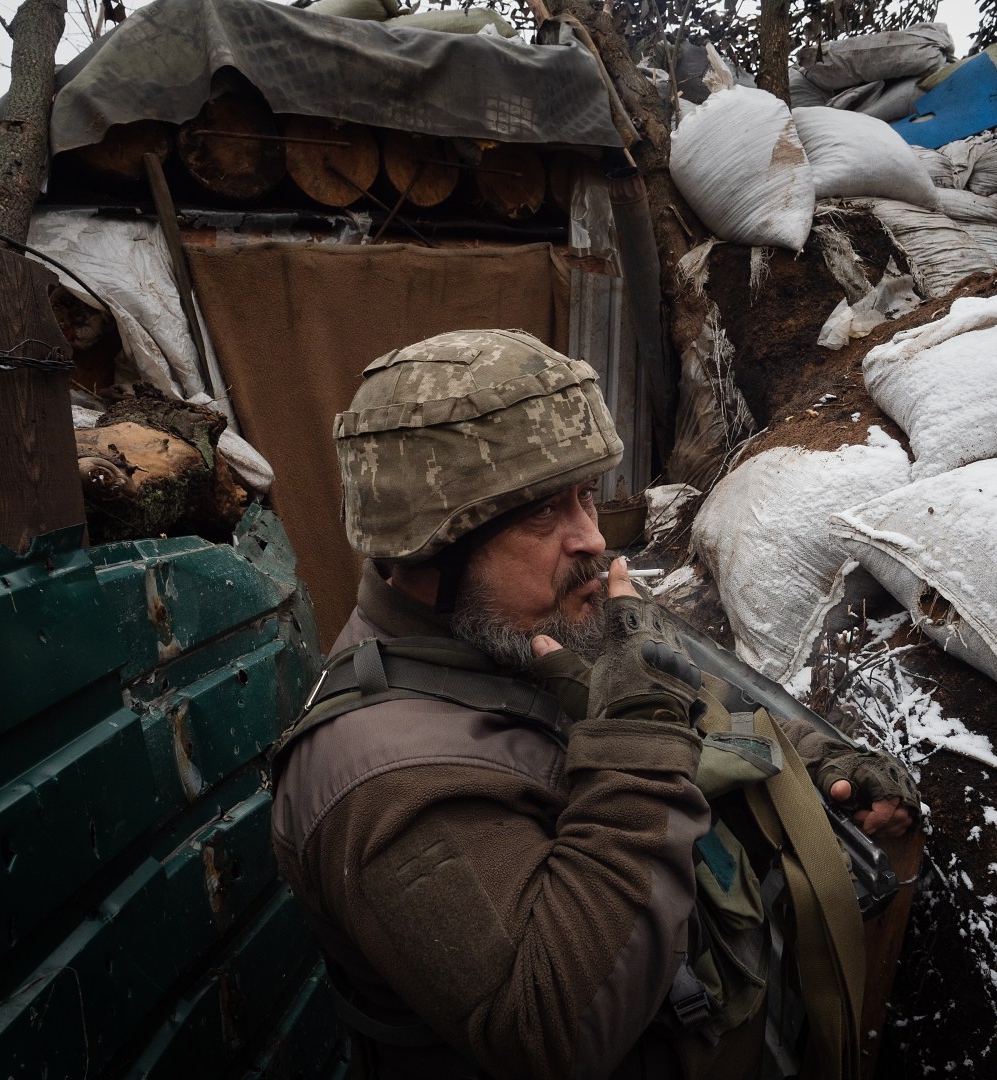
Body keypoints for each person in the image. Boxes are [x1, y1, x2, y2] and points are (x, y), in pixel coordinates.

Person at [270, 329, 919, 1080]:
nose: (592, 540)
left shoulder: (521, 631)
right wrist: (638, 731)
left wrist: (812, 764)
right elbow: (556, 1026)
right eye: (544, 513)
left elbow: (695, 706)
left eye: (585, 496)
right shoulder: (384, 778)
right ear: (429, 548)